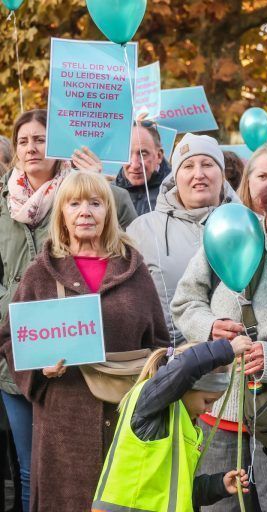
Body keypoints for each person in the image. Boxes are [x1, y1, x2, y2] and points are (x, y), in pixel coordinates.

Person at [0, 171, 169, 511]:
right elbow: (9, 339)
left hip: (125, 419)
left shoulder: (134, 270)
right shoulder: (41, 272)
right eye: (74, 204)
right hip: (63, 422)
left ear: (108, 211)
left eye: (95, 203)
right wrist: (39, 370)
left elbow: (159, 342)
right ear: (61, 213)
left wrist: (146, 386)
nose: (85, 212)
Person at [0, 109, 136, 512]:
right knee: (30, 469)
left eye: (40, 139)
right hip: (20, 350)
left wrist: (102, 185)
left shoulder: (80, 192)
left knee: (81, 467)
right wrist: (9, 312)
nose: (31, 148)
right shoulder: (3, 201)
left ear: (57, 145)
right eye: (23, 141)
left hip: (78, 352)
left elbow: (122, 239)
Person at [172, 167, 267, 512]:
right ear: (265, 210)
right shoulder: (232, 234)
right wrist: (211, 327)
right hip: (217, 411)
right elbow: (184, 303)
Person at [92, 338, 253, 512]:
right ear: (184, 387)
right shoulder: (149, 405)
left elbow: (178, 492)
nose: (209, 409)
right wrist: (227, 349)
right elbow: (185, 367)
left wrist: (218, 485)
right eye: (207, 401)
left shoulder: (185, 428)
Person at [127, 134, 237, 345]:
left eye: (207, 164)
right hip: (171, 359)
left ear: (222, 174)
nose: (199, 174)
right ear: (175, 178)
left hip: (240, 358)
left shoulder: (249, 225)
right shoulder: (142, 230)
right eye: (188, 166)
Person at [115, 120, 172, 215]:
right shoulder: (108, 194)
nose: (135, 165)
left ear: (159, 156)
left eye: (143, 154)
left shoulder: (177, 192)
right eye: (127, 154)